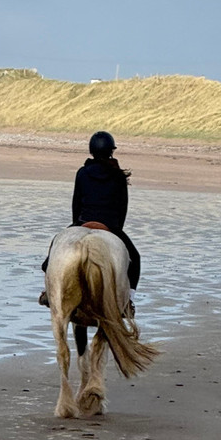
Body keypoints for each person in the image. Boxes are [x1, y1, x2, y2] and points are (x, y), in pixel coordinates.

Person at [39, 130, 141, 309]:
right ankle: (128, 301)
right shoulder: (118, 176)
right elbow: (122, 208)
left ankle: (49, 292)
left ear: (91, 150)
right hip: (110, 225)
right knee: (135, 259)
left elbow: (76, 203)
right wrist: (116, 229)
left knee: (54, 248)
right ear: (111, 151)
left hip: (82, 221)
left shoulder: (82, 172)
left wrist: (76, 226)